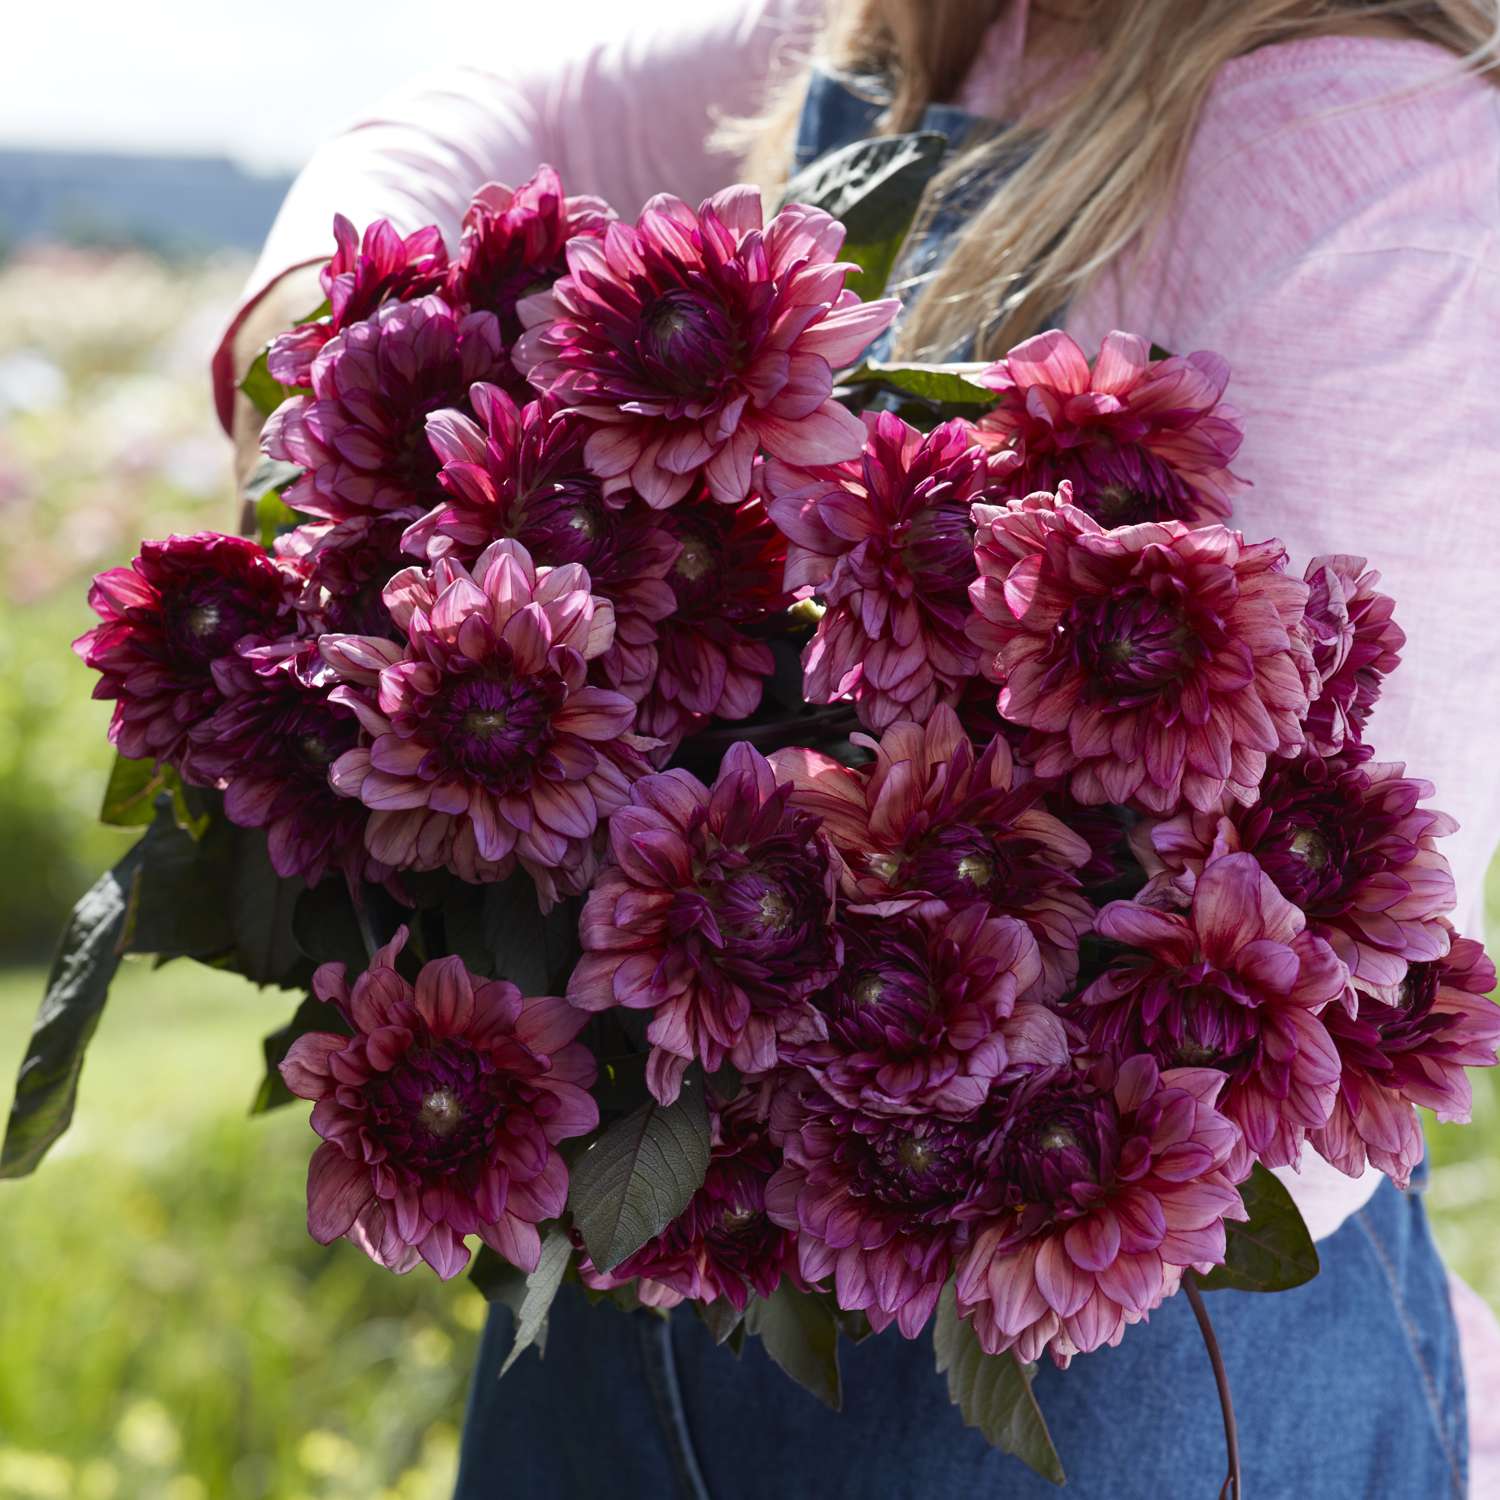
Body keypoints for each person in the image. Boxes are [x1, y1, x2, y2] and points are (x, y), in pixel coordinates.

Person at [218, 2, 1500, 1494]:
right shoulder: (922, 31)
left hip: (1095, 1361)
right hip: (668, 1300)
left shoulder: (1357, 145)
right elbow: (493, 107)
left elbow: (1281, 924)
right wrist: (327, 338)